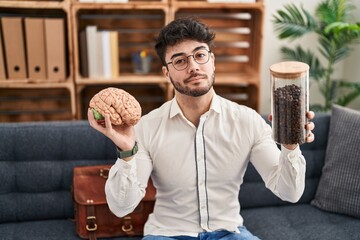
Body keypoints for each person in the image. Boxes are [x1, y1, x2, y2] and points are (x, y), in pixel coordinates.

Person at [87, 17, 315, 240]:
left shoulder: (248, 121)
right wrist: (126, 151)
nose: (193, 66)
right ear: (167, 73)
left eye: (200, 55)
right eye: (180, 61)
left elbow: (290, 193)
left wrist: (290, 144)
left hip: (229, 231)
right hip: (168, 233)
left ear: (212, 61)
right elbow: (121, 208)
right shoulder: (146, 127)